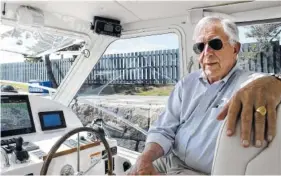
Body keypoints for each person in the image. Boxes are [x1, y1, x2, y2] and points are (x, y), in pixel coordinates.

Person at [127, 16, 281, 175]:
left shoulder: (251, 85)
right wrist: (145, 158)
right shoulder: (186, 84)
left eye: (215, 44)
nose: (207, 52)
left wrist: (275, 82)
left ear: (235, 48)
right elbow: (164, 130)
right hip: (166, 160)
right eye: (200, 46)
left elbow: (267, 84)